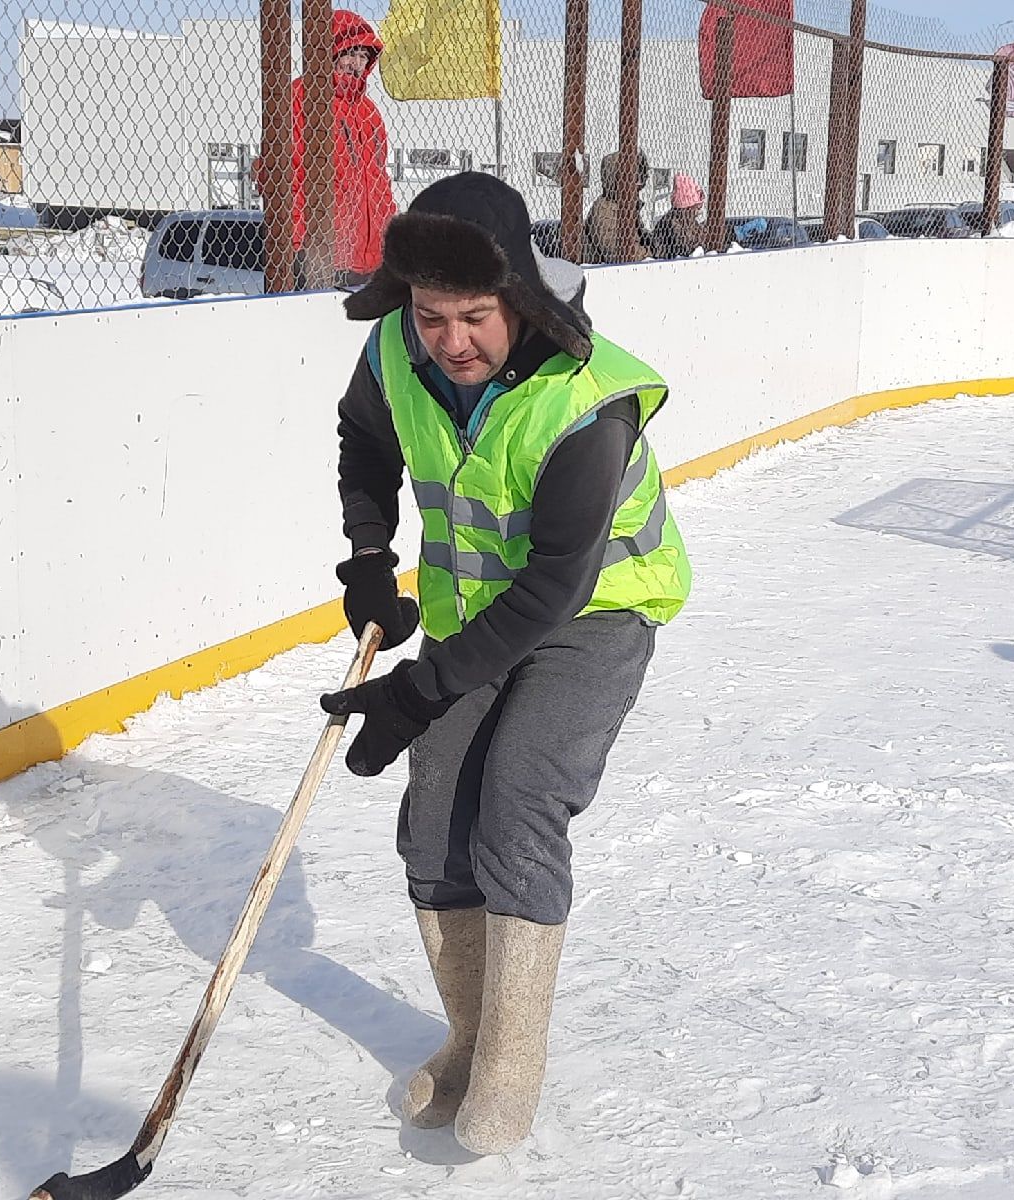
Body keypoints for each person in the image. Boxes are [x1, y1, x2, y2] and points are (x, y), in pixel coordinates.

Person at [319, 173, 690, 1154]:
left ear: (517, 298)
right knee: (434, 817)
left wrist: (419, 688)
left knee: (518, 797)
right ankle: (471, 1040)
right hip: (476, 609)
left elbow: (555, 588)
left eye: (474, 316)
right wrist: (366, 560)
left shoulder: (586, 401)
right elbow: (365, 440)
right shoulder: (395, 345)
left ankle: (510, 1073)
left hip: (598, 608)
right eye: (431, 315)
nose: (451, 340)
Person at [255, 10, 396, 289]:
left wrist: (389, 235)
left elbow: (380, 181)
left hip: (371, 256)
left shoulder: (369, 113)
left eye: (363, 55)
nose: (356, 63)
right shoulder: (300, 97)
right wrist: (297, 240)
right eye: (349, 52)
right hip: (319, 251)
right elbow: (282, 172)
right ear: (330, 51)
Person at [584, 149, 653, 265]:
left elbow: (639, 237)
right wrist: (650, 253)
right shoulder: (604, 209)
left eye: (642, 178)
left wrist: (654, 243)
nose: (640, 185)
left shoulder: (626, 206)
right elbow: (617, 253)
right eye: (635, 179)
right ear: (616, 179)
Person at [650, 172, 706, 260]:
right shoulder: (671, 222)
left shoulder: (690, 221)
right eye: (697, 206)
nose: (699, 210)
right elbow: (684, 247)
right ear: (688, 207)